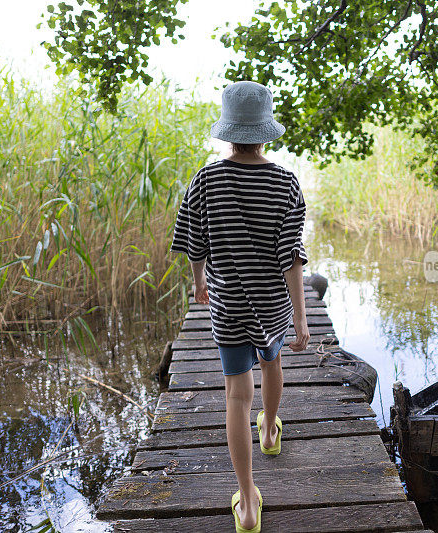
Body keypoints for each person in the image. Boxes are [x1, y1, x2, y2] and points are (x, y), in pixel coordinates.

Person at [170, 80, 310, 533]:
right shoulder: (286, 181)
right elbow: (292, 255)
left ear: (228, 131)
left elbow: (194, 240)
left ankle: (247, 502)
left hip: (228, 302)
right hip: (271, 304)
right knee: (272, 361)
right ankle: (270, 430)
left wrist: (198, 284)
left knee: (235, 394)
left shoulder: (206, 178)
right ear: (265, 131)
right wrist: (302, 316)